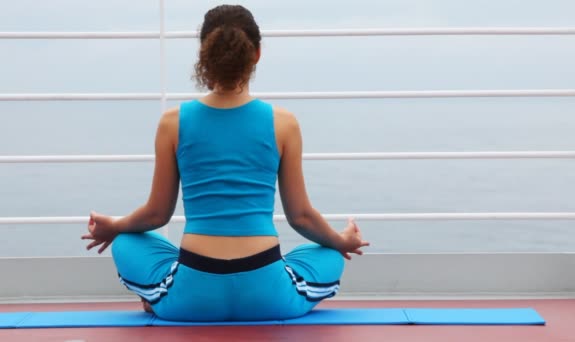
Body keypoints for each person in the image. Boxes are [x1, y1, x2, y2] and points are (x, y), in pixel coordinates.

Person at [81, 4, 369, 322]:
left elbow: (156, 214)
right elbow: (301, 217)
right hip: (267, 294)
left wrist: (114, 227)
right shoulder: (283, 123)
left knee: (126, 241)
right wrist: (343, 240)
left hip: (192, 296)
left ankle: (158, 298)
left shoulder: (172, 122)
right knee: (329, 252)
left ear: (204, 54)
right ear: (257, 54)